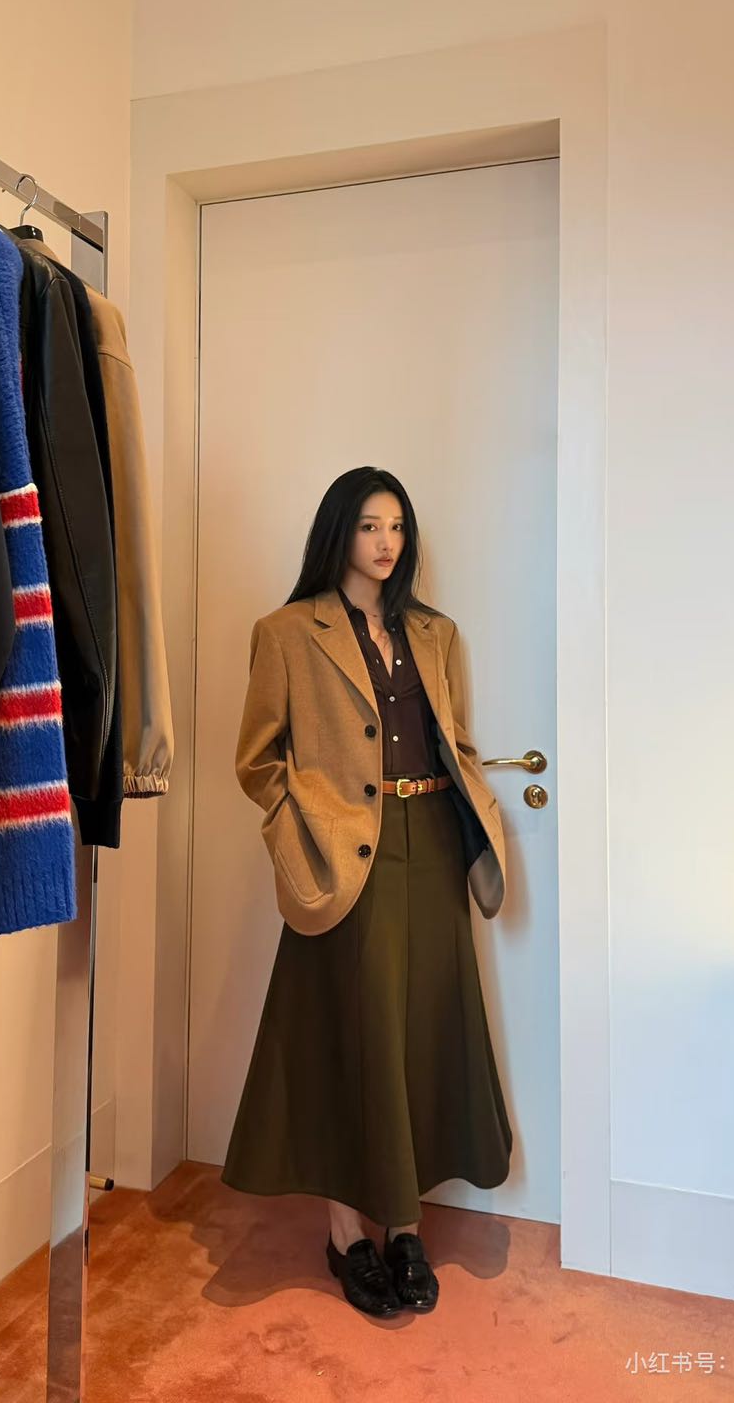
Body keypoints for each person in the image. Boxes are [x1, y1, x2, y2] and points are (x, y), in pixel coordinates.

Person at [222, 465, 512, 1318]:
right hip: (344, 857)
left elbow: (455, 739)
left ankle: (406, 1227)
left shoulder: (436, 634)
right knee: (348, 1036)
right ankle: (348, 1233)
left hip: (431, 847)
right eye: (369, 526)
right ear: (338, 533)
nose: (386, 543)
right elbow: (257, 761)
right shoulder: (286, 632)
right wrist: (302, 830)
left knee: (417, 1035)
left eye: (396, 527)